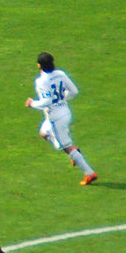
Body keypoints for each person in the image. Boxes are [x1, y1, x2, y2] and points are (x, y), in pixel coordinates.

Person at [25, 52, 97, 185]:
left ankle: (89, 173)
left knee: (66, 147)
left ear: (38, 65)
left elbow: (46, 101)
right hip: (65, 111)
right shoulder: (61, 74)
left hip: (55, 118)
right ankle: (75, 152)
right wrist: (61, 98)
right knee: (43, 133)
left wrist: (32, 103)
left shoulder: (41, 81)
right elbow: (74, 91)